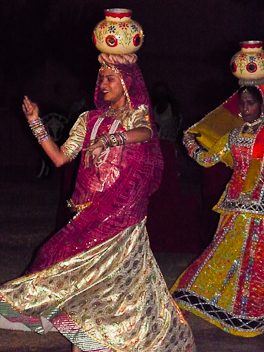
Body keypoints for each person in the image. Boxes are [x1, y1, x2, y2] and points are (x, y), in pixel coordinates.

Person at [0, 52, 195, 352]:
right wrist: (35, 122)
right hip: (88, 214)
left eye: (110, 78)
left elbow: (145, 133)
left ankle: (110, 342)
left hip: (123, 218)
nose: (102, 83)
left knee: (117, 288)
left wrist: (111, 139)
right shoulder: (88, 119)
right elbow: (59, 157)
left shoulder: (136, 116)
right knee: (70, 274)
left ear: (126, 83)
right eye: (100, 78)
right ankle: (86, 342)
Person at [171, 85, 264, 337]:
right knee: (222, 254)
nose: (245, 109)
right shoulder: (233, 135)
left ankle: (250, 312)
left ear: (261, 105)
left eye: (251, 104)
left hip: (259, 207)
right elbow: (207, 159)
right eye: (242, 104)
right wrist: (190, 144)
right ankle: (220, 305)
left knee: (254, 262)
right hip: (233, 205)